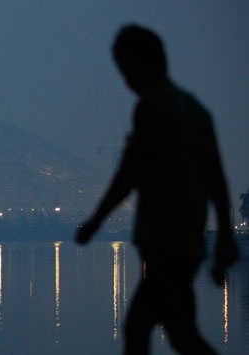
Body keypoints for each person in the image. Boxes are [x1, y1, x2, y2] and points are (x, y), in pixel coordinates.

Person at [75, 24, 239, 354]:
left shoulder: (152, 106)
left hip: (165, 241)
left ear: (142, 64)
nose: (125, 80)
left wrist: (95, 221)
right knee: (180, 333)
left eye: (125, 70)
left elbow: (129, 174)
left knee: (141, 327)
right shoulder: (197, 110)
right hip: (188, 244)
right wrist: (223, 236)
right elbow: (217, 179)